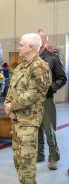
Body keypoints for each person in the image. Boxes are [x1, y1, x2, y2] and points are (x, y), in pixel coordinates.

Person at [4, 33, 51, 184]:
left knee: (26, 159)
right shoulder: (21, 66)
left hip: (29, 121)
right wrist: (9, 106)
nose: (19, 47)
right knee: (18, 158)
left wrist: (12, 106)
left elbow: (34, 94)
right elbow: (11, 88)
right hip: (17, 119)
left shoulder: (40, 67)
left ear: (31, 47)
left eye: (22, 45)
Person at [37, 29, 67, 170]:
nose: (37, 41)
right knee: (36, 129)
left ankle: (53, 158)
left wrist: (51, 88)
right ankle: (40, 154)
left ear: (45, 41)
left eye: (40, 39)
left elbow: (62, 78)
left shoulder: (53, 58)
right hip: (32, 101)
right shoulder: (30, 59)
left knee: (49, 130)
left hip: (47, 99)